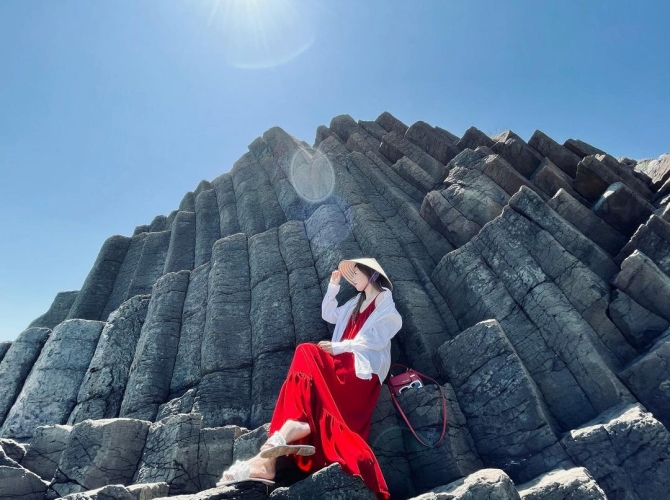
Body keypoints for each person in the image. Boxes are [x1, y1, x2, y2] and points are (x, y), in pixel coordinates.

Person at [217, 257, 402, 499]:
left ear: (373, 274)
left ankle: (292, 431)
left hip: (360, 373)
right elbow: (329, 314)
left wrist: (340, 347)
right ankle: (275, 447)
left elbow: (378, 338)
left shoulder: (385, 302)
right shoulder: (355, 303)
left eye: (356, 273)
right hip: (341, 364)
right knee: (305, 354)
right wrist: (333, 287)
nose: (352, 279)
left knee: (306, 351)